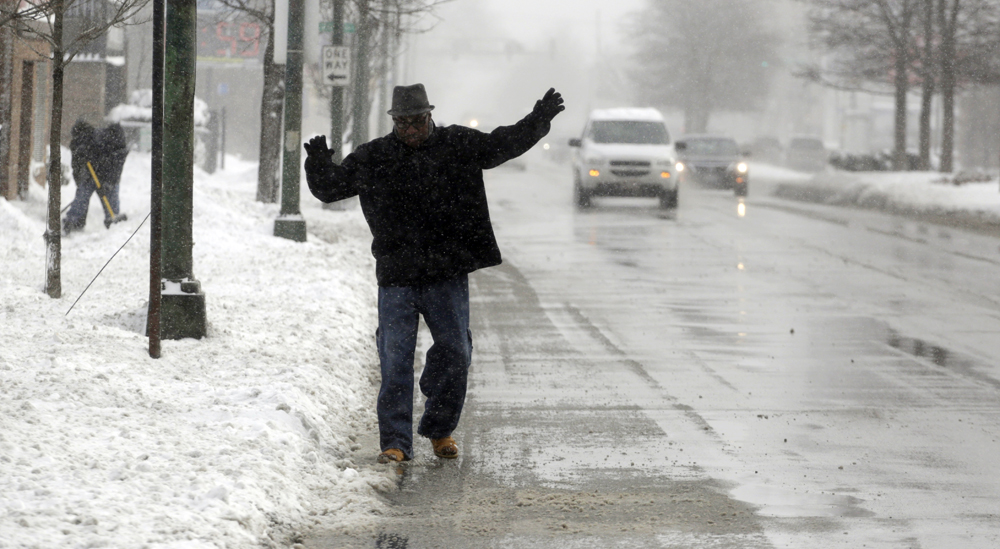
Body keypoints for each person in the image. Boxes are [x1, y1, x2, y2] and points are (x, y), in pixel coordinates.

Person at [303, 84, 564, 464]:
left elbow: (500, 145)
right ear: (394, 121)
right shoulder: (374, 157)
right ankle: (395, 442)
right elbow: (331, 190)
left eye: (417, 121)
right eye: (403, 122)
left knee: (456, 353)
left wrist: (538, 120)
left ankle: (440, 428)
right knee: (395, 360)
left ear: (430, 116)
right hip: (397, 276)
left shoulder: (456, 144)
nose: (411, 129)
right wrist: (318, 164)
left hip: (446, 272)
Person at [63, 120, 129, 234]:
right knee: (82, 196)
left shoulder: (117, 150)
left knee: (109, 196)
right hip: (90, 174)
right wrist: (81, 181)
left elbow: (115, 170)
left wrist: (108, 182)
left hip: (103, 176)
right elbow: (77, 167)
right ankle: (74, 220)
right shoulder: (85, 143)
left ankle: (113, 219)